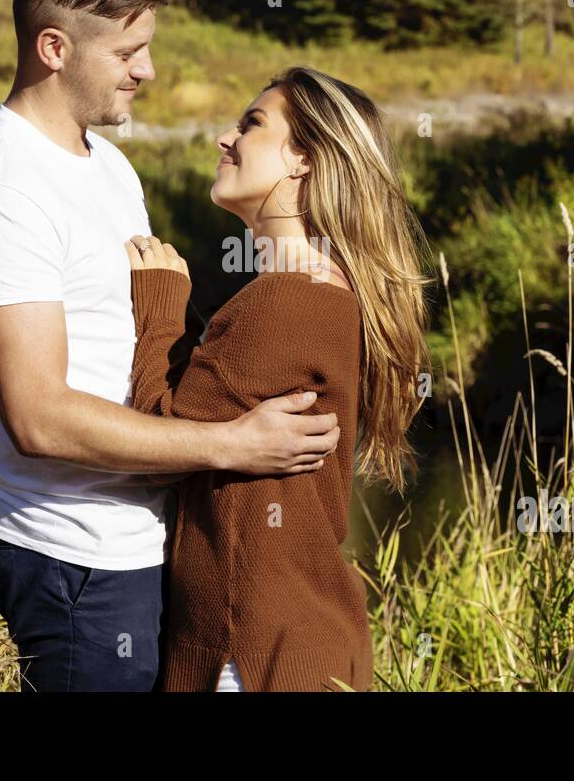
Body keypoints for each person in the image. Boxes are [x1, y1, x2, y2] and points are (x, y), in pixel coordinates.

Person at [0, 0, 341, 692]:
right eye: (129, 52)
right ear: (54, 49)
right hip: (75, 558)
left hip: (146, 542)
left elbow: (137, 348)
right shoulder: (5, 194)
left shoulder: (108, 165)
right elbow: (40, 418)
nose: (147, 71)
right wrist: (231, 446)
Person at [125, 65, 431, 691]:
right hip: (288, 644)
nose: (225, 137)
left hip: (250, 653)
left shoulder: (288, 302)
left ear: (303, 161)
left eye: (252, 123)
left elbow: (159, 443)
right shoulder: (314, 292)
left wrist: (158, 308)